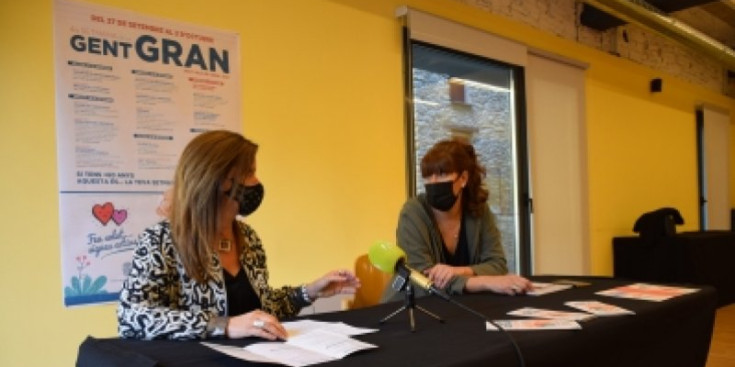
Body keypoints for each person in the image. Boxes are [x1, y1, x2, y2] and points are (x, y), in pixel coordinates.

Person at [118, 130, 360, 341]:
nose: (257, 182)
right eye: (250, 173)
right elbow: (133, 316)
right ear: (221, 180)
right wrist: (224, 325)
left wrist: (310, 292)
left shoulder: (248, 238)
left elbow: (263, 307)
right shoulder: (160, 240)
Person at [382, 139, 531, 302]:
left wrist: (457, 271)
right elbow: (421, 278)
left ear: (463, 179)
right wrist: (484, 282)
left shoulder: (478, 210)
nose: (433, 182)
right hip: (411, 308)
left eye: (442, 174)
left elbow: (497, 264)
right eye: (427, 176)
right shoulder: (413, 212)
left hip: (460, 307)